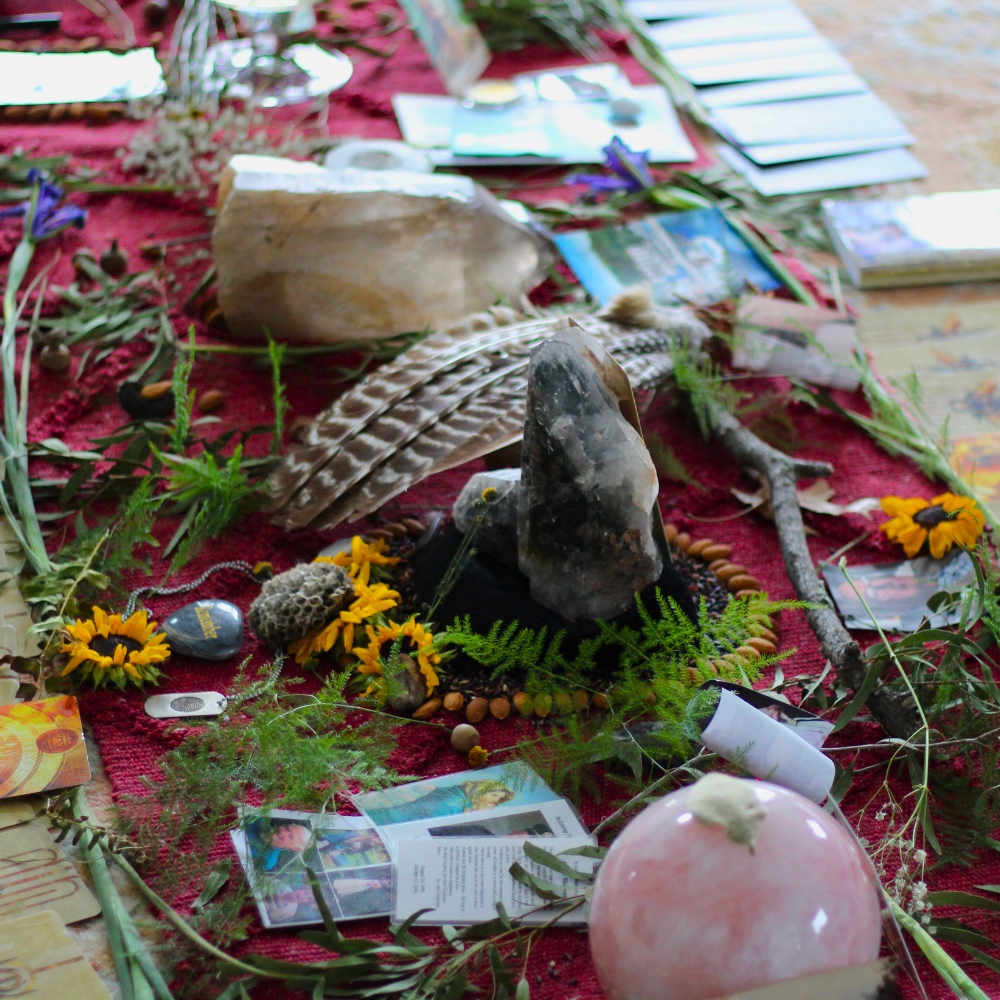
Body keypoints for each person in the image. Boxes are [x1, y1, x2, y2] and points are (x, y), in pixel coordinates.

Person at [363, 779, 515, 826]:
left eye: (497, 799)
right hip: (395, 818)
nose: (494, 800)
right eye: (493, 794)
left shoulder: (465, 804)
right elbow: (431, 811)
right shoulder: (455, 798)